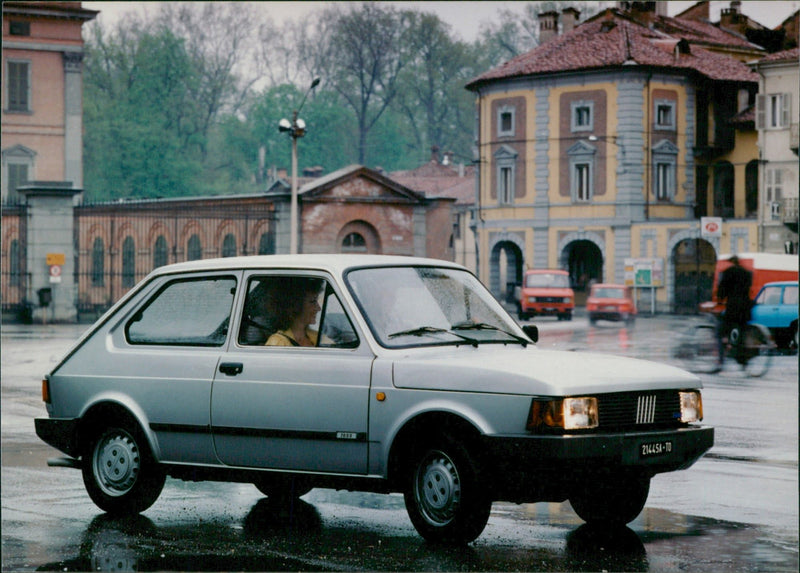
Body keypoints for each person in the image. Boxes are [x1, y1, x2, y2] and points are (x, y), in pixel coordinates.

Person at [715, 256, 753, 364]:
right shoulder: (746, 273)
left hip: (733, 307)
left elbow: (723, 288)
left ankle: (721, 358)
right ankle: (742, 358)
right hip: (746, 308)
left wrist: (719, 300)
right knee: (742, 331)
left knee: (721, 331)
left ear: (731, 262)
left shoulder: (729, 272)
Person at [265, 278, 323, 347]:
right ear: (295, 306)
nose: (318, 308)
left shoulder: (317, 337)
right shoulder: (278, 342)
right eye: (313, 302)